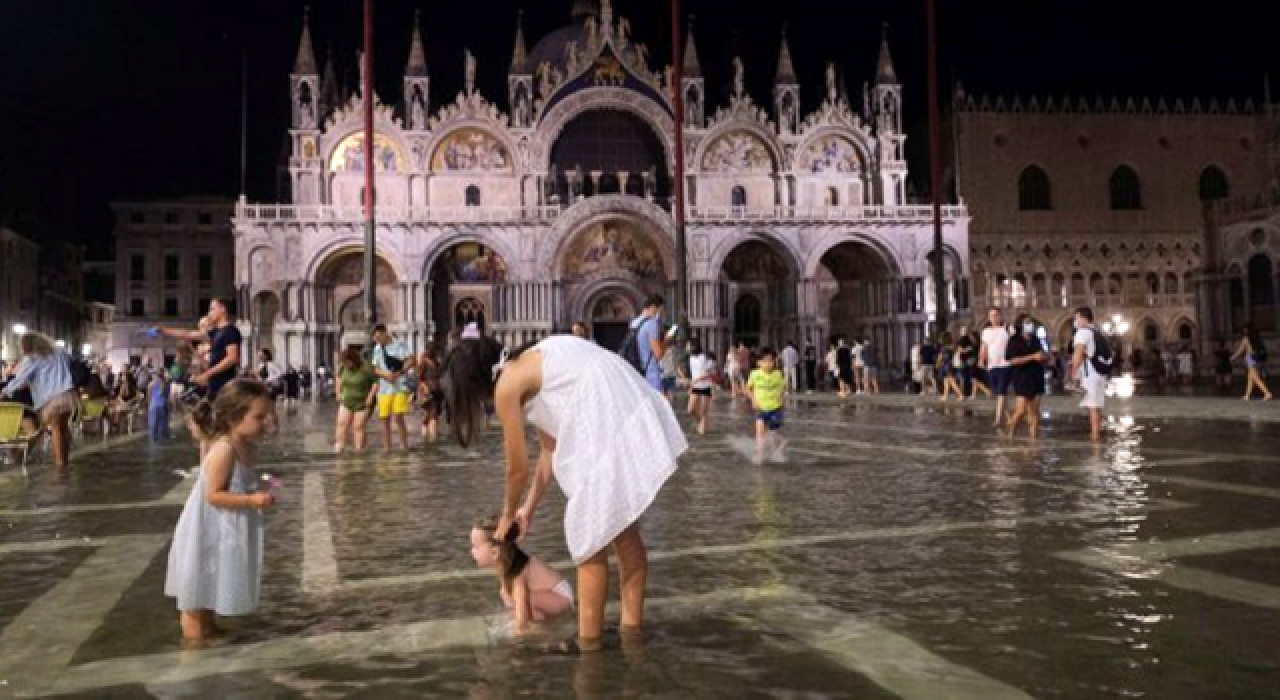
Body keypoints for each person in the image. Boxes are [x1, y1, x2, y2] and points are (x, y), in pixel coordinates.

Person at [443, 333, 687, 652]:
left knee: (589, 544)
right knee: (623, 533)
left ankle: (589, 645)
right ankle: (631, 630)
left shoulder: (506, 386)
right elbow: (549, 450)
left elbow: (517, 468)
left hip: (603, 411)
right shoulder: (532, 361)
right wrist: (527, 509)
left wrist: (506, 517)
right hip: (619, 398)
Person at [164, 380, 274, 643]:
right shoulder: (224, 450)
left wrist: (259, 488)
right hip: (207, 527)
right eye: (259, 417)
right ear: (235, 417)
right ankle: (192, 645)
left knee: (213, 580)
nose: (265, 422)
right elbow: (212, 495)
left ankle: (210, 631)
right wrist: (251, 500)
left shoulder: (247, 448)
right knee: (197, 588)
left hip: (227, 527)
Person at [470, 518, 573, 634]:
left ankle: (537, 629)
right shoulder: (506, 564)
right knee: (506, 594)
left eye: (475, 547)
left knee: (520, 601)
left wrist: (518, 631)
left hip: (562, 596)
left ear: (495, 553)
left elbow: (521, 602)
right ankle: (538, 620)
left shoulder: (518, 574)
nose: (471, 551)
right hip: (548, 597)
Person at [0, 333, 79, 468]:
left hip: (51, 398)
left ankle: (60, 464)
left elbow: (20, 379)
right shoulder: (59, 351)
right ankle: (64, 459)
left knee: (56, 430)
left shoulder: (32, 358)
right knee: (64, 428)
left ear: (28, 345)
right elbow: (71, 361)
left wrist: (5, 391)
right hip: (68, 395)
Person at [155, 299, 241, 400]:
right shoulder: (215, 333)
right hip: (214, 386)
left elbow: (232, 358)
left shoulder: (230, 331)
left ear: (222, 309)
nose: (209, 313)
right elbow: (188, 334)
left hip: (225, 386)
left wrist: (206, 374)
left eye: (212, 309)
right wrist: (163, 330)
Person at [371, 323, 415, 453]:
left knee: (398, 416)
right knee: (384, 418)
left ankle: (404, 445)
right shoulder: (377, 348)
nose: (378, 340)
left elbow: (411, 360)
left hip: (400, 385)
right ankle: (387, 448)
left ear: (385, 332)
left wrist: (399, 372)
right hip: (384, 387)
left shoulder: (400, 344)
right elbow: (375, 369)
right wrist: (385, 374)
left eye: (379, 337)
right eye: (375, 339)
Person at [1068, 307, 1108, 440]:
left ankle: (1095, 439)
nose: (1075, 321)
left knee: (1093, 407)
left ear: (1083, 318)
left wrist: (1073, 372)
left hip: (1091, 374)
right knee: (1096, 406)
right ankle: (1097, 435)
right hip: (1100, 373)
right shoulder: (1097, 331)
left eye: (1076, 318)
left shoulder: (1083, 332)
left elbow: (1079, 352)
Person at [1005, 315, 1047, 438]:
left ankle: (1034, 440)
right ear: (1020, 325)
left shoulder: (1036, 339)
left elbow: (1042, 354)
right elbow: (1012, 360)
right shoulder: (1014, 340)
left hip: (1036, 376)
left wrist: (1044, 357)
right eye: (1027, 322)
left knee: (1034, 412)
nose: (1030, 325)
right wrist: (1032, 357)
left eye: (1031, 322)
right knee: (1021, 411)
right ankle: (1011, 432)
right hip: (1022, 377)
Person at [747, 347, 788, 464]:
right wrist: (753, 400)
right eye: (765, 361)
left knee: (773, 433)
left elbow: (783, 387)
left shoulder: (778, 374)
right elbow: (748, 389)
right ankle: (760, 454)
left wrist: (781, 398)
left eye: (771, 361)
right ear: (758, 362)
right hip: (761, 408)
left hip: (775, 408)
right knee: (759, 433)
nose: (768, 364)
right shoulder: (754, 374)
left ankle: (780, 444)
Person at [334, 346, 377, 452]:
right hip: (346, 400)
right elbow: (338, 378)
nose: (345, 365)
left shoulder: (366, 367)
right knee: (341, 424)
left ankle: (359, 451)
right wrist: (338, 392)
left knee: (357, 427)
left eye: (346, 362)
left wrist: (370, 397)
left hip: (363, 402)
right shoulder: (342, 367)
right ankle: (339, 447)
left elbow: (376, 382)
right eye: (343, 362)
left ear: (352, 360)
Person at [629, 295, 670, 393]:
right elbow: (658, 354)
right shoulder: (651, 324)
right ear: (653, 307)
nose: (661, 314)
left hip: (635, 369)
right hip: (649, 372)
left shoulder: (634, 323)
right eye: (661, 310)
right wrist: (667, 340)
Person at [980, 308, 1013, 425]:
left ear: (1000, 316)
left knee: (1002, 392)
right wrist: (981, 359)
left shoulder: (1007, 329)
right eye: (991, 315)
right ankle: (1009, 417)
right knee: (998, 393)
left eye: (996, 315)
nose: (993, 318)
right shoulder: (985, 331)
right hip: (991, 365)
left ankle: (998, 419)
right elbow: (984, 347)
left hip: (1005, 365)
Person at [1231, 324, 1272, 401]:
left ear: (1246, 330)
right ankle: (1247, 395)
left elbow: (1240, 351)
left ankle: (1267, 393)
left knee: (1255, 378)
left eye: (1244, 329)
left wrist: (1232, 358)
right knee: (1250, 377)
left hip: (1251, 359)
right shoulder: (1257, 338)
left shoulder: (1246, 339)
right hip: (1258, 359)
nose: (1243, 331)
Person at [686, 340, 715, 435]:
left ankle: (703, 428)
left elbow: (707, 373)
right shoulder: (690, 357)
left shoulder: (703, 357)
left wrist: (695, 381)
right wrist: (692, 384)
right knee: (690, 409)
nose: (687, 347)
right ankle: (700, 422)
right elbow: (693, 373)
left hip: (705, 387)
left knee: (704, 412)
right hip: (695, 386)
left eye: (688, 345)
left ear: (693, 346)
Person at [417, 346, 444, 442]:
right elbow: (420, 377)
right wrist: (425, 387)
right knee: (433, 413)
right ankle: (433, 438)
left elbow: (440, 375)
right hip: (428, 391)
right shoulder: (424, 362)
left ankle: (426, 433)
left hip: (437, 390)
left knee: (433, 414)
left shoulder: (437, 362)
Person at [148, 366, 172, 441]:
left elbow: (149, 394)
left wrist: (149, 403)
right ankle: (163, 436)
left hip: (153, 405)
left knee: (153, 424)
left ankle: (154, 438)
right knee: (163, 422)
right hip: (162, 404)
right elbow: (165, 393)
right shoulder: (165, 383)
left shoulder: (151, 383)